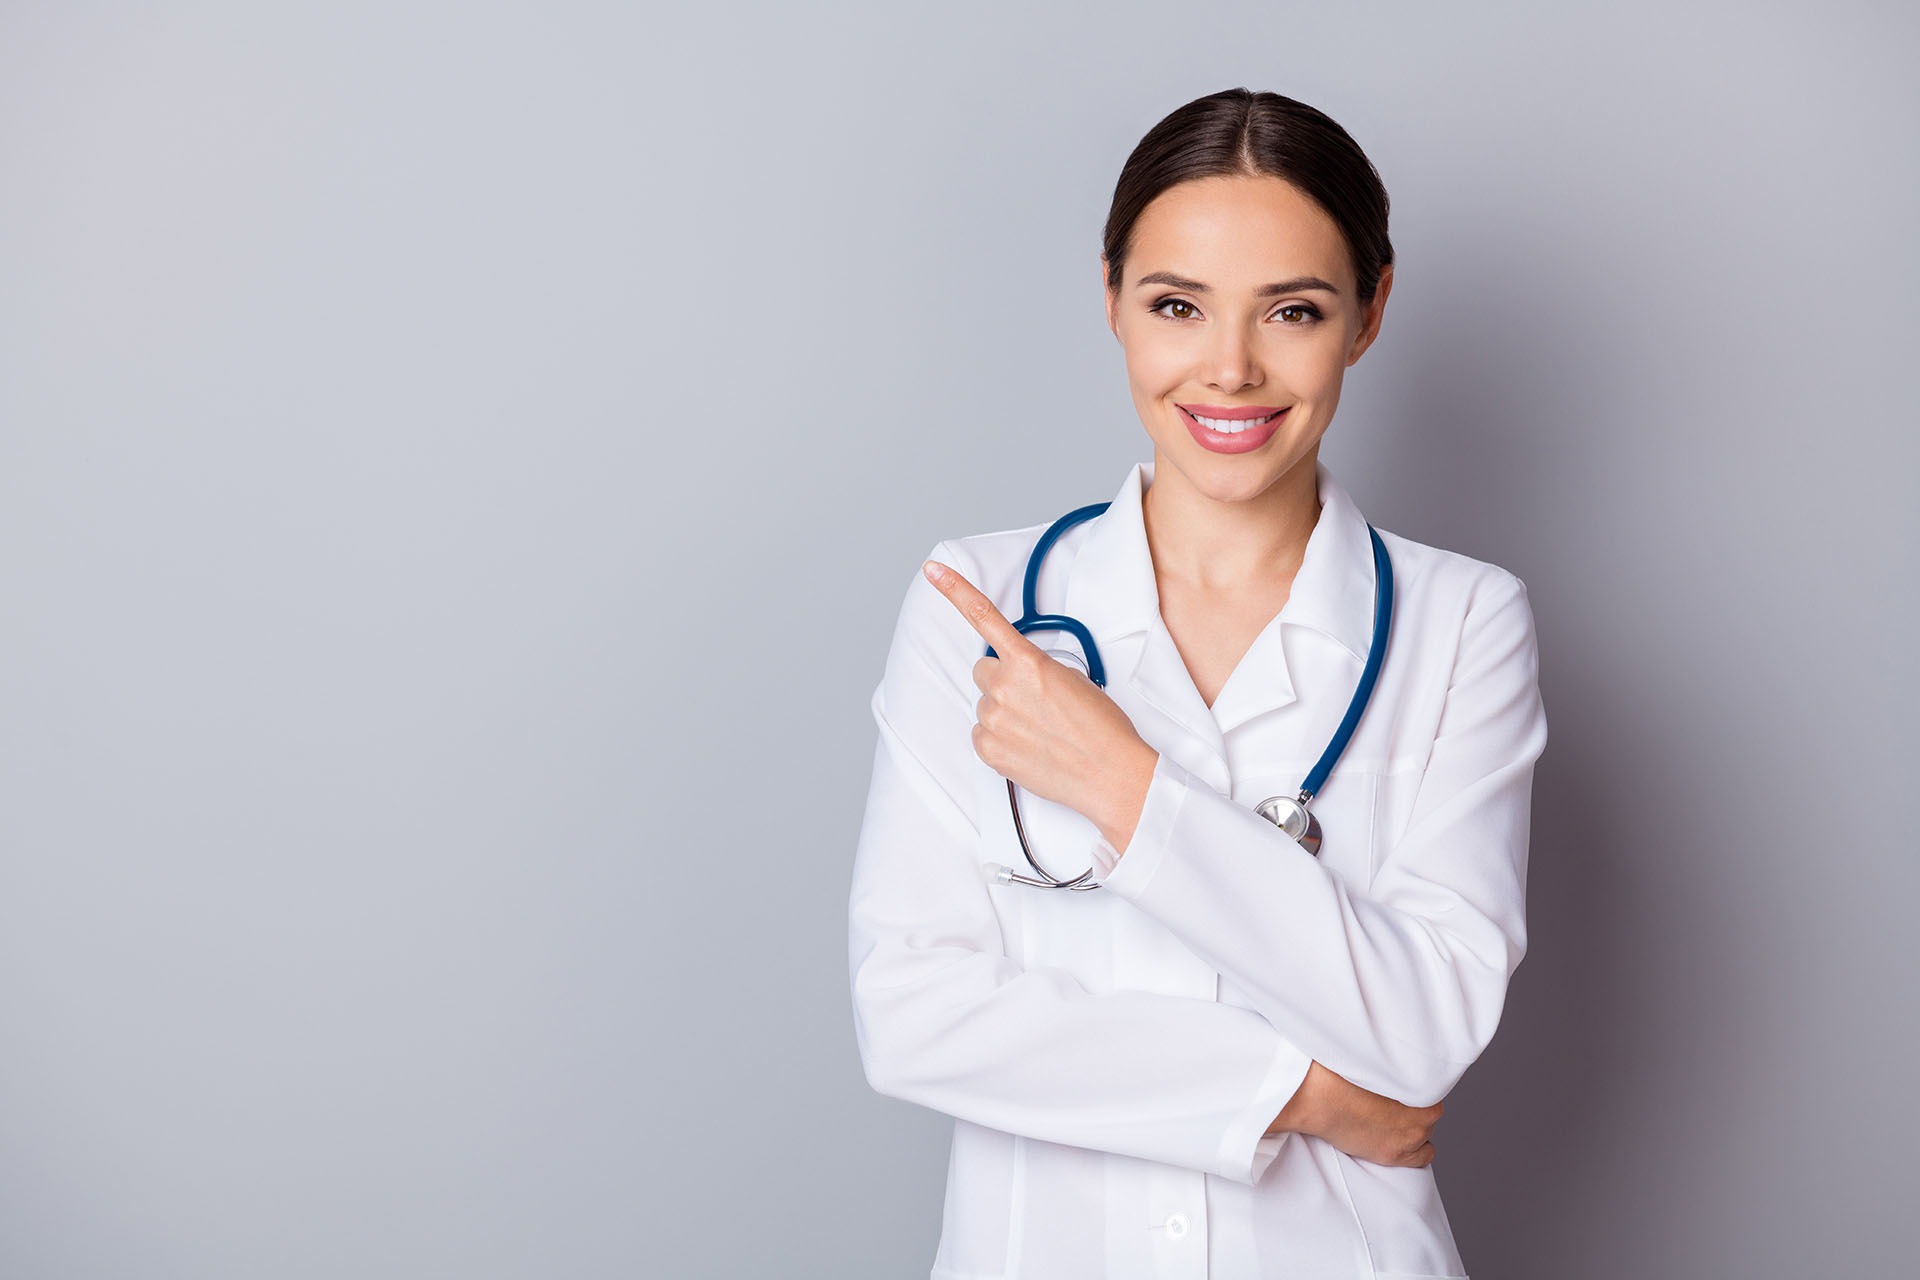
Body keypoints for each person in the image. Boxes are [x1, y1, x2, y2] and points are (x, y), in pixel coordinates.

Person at [847, 86, 1548, 1280]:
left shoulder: (1462, 622)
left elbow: (1427, 1026)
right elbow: (913, 1013)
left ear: (1371, 312)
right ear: (1111, 298)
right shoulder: (979, 602)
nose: (1230, 368)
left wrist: (1123, 787)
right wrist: (1303, 1093)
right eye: (1178, 305)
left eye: (1293, 310)